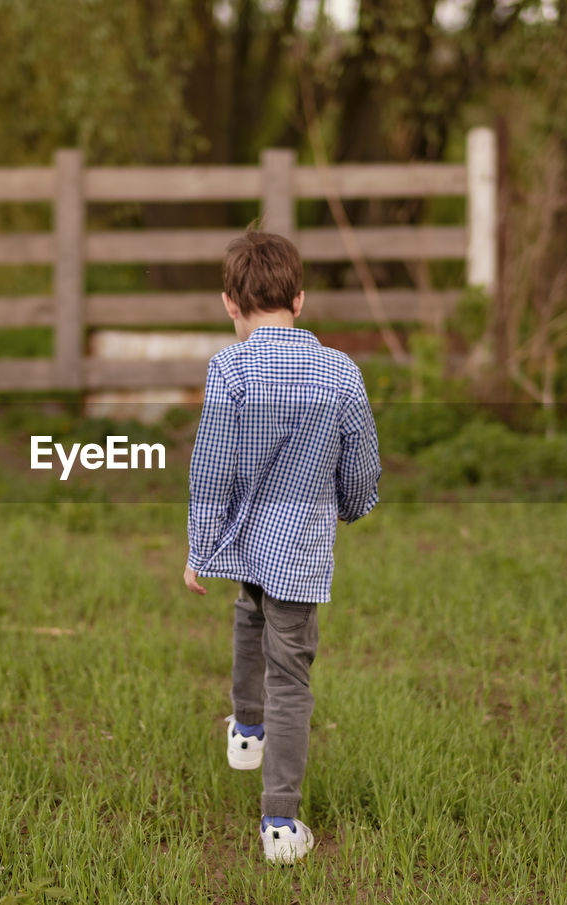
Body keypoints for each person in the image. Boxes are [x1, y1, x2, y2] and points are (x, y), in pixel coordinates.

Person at [183, 225, 382, 864]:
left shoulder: (229, 369)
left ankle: (246, 730)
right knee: (291, 674)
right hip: (299, 549)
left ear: (229, 304)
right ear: (299, 300)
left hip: (246, 541)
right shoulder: (340, 372)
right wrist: (348, 508)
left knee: (249, 613)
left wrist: (200, 545)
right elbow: (362, 465)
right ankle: (279, 827)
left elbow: (210, 466)